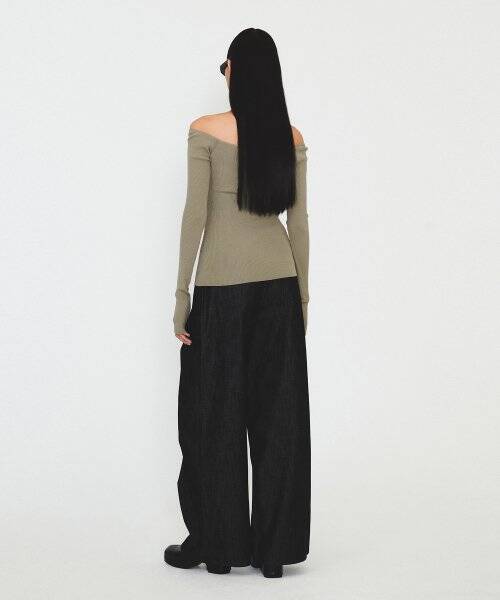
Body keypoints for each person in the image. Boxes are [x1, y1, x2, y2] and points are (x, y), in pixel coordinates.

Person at [164, 28, 310, 579]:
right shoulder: (290, 136)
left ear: (233, 70)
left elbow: (194, 216)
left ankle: (220, 547)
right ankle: (273, 553)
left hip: (221, 289)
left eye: (225, 66)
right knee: (279, 419)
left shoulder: (205, 130)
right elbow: (299, 224)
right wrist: (302, 298)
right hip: (280, 286)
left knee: (212, 416)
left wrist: (181, 295)